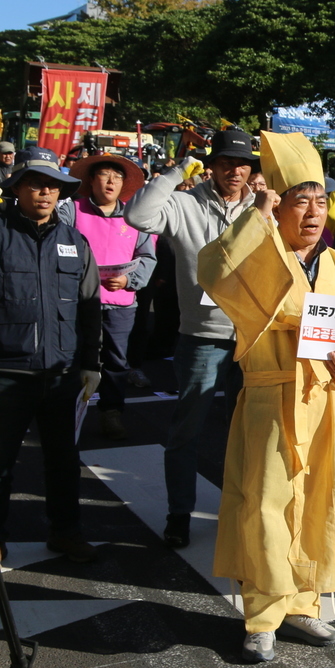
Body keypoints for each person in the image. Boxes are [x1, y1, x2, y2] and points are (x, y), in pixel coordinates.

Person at [198, 136, 335, 661]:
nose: (314, 213)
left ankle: (305, 604)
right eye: (301, 201)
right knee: (265, 504)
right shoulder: (258, 256)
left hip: (328, 399)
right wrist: (257, 214)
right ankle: (262, 614)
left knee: (322, 499)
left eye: (321, 201)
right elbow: (213, 271)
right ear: (277, 207)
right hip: (272, 398)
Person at [125, 128, 255, 548]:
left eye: (242, 164)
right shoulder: (184, 204)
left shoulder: (262, 208)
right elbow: (137, 216)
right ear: (211, 165)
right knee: (187, 431)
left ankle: (242, 513)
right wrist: (177, 168)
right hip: (201, 335)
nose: (234, 171)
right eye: (224, 162)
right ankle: (179, 512)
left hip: (255, 338)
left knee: (251, 433)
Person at [0, 148, 103, 565]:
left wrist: (91, 363)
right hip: (4, 372)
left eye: (52, 185)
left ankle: (66, 532)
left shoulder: (75, 241)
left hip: (62, 372)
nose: (45, 192)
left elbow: (89, 307)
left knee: (64, 462)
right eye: (34, 183)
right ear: (16, 188)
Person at [60, 154, 157, 441]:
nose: (111, 181)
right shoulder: (72, 210)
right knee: (74, 356)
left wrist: (129, 280)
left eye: (117, 176)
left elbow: (148, 257)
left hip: (121, 301)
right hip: (78, 301)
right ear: (91, 180)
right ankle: (68, 412)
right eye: (104, 175)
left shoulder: (133, 217)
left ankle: (111, 413)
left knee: (116, 361)